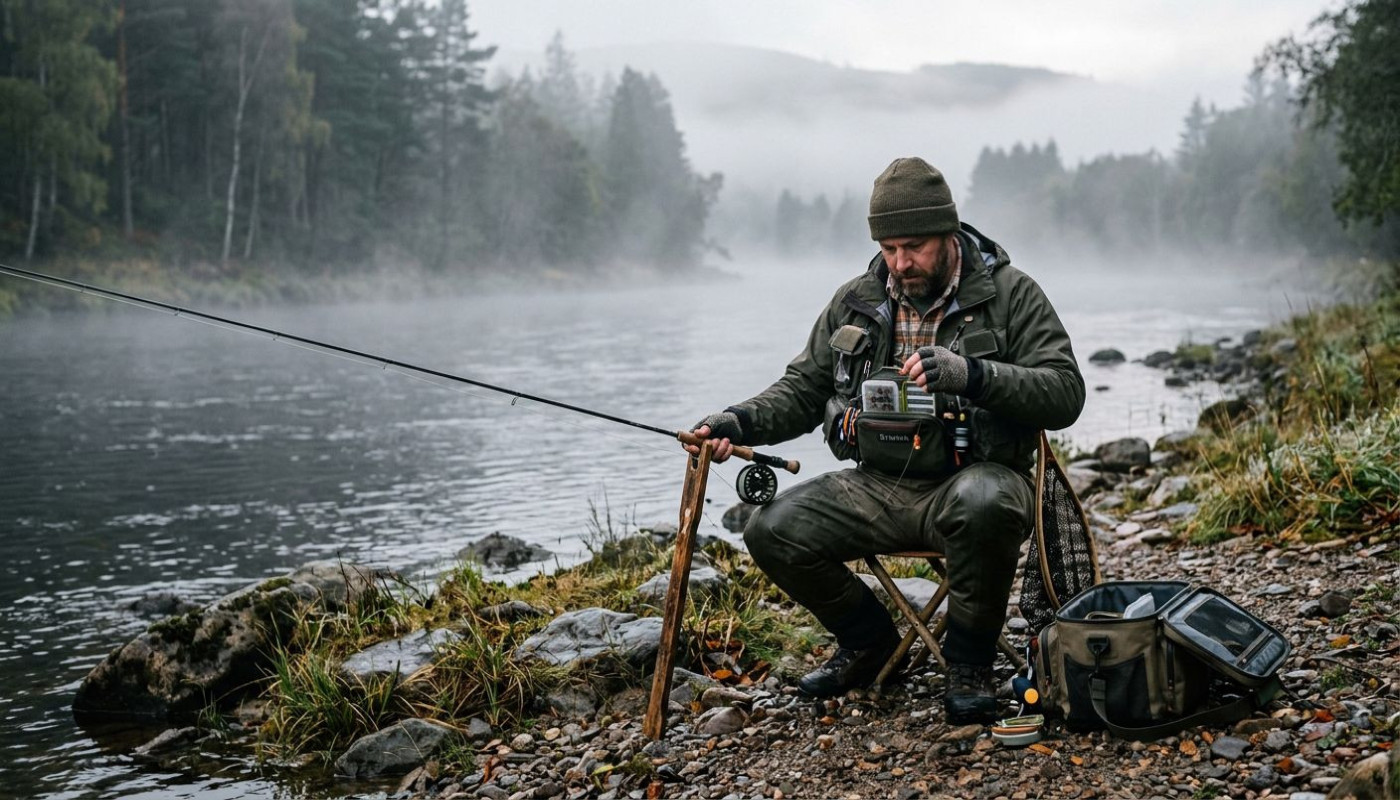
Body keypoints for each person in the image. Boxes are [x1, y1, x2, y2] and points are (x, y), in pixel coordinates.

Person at [688, 157, 1085, 723]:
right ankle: (870, 643)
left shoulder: (1010, 293)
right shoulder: (857, 299)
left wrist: (972, 374)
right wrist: (736, 422)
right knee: (771, 528)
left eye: (915, 247)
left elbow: (1066, 392)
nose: (901, 262)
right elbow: (803, 389)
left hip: (978, 482)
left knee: (983, 502)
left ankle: (969, 664)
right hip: (874, 487)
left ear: (950, 233)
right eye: (890, 248)